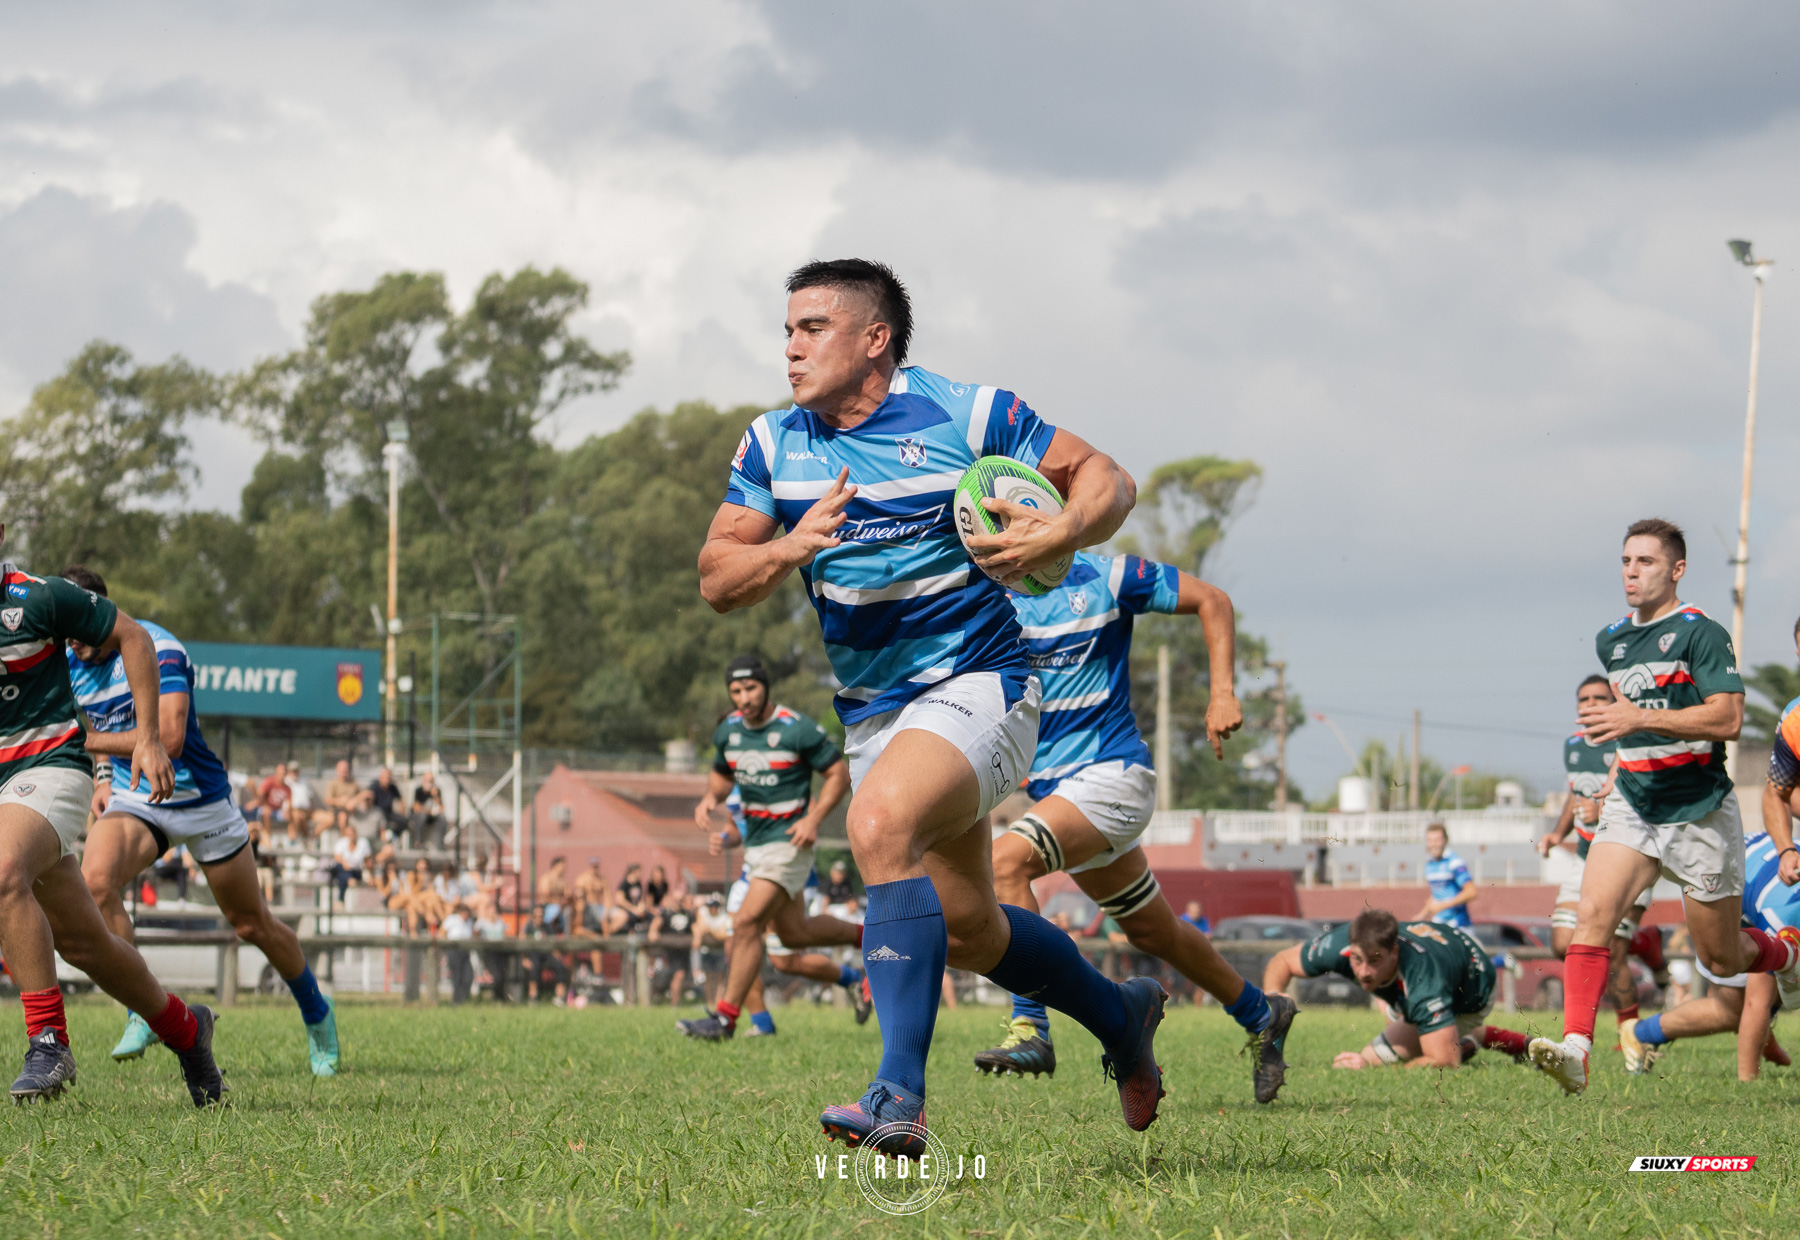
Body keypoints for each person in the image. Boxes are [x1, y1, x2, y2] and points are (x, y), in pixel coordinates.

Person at [697, 258, 1163, 1153]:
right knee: (971, 930)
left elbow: (1108, 477)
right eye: (787, 328)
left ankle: (896, 1101)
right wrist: (788, 546)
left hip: (985, 684)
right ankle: (1122, 1017)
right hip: (877, 714)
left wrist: (1064, 527)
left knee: (876, 825)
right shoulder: (772, 444)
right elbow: (718, 579)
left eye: (812, 328)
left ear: (875, 340)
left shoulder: (965, 413)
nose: (789, 347)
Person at [977, 548, 1295, 1103]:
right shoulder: (991, 589)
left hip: (1112, 778)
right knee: (1153, 932)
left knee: (1006, 861)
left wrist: (1222, 691)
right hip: (1062, 795)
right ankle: (1261, 1012)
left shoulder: (1108, 575)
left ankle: (1032, 1027)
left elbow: (1212, 600)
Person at [1529, 519, 1800, 1095]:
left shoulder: (1703, 633)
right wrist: (1615, 772)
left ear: (1676, 570)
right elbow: (1631, 729)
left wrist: (1637, 718)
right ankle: (1577, 1048)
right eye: (1626, 561)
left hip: (1699, 810)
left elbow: (1726, 718)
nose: (1632, 572)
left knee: (1723, 959)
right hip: (1633, 805)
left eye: (1646, 562)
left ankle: (1787, 956)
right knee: (1593, 918)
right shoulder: (1613, 640)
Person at [64, 565, 341, 1078]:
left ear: (102, 614)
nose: (74, 642)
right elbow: (88, 719)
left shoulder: (156, 648)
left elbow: (165, 741)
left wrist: (87, 746)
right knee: (95, 884)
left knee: (250, 923)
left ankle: (317, 1014)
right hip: (139, 799)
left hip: (201, 798)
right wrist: (103, 776)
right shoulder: (69, 659)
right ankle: (139, 1013)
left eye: (82, 628)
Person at [0, 551, 225, 1105]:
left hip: (49, 767)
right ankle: (188, 1031)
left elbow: (134, 638)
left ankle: (48, 1041)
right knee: (86, 944)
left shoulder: (41, 597)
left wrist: (147, 737)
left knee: (3, 872)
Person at [676, 655, 865, 1042]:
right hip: (757, 849)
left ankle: (725, 1019)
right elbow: (720, 778)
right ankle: (870, 936)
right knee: (794, 936)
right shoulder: (728, 732)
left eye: (750, 688)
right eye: (736, 691)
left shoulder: (796, 729)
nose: (744, 698)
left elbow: (837, 774)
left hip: (788, 846)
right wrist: (709, 800)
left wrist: (812, 819)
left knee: (745, 924)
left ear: (765, 687)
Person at [1536, 676, 1661, 1033]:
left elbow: (1646, 798)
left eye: (1599, 698)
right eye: (1584, 699)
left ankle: (1631, 1035)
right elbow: (1574, 795)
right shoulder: (1573, 745)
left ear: (1613, 702)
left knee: (1612, 950)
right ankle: (1646, 943)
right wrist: (1558, 833)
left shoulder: (1628, 744)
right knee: (1562, 943)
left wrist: (1602, 809)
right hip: (1585, 857)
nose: (1590, 704)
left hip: (1626, 856)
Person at [1619, 830, 1797, 1079]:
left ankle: (1642, 1033)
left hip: (1749, 864)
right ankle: (1640, 1034)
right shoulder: (1783, 919)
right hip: (1717, 881)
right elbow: (1756, 1003)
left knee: (1752, 1001)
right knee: (1734, 1010)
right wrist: (1749, 1086)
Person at [1264, 909, 1529, 1069]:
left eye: (1374, 961)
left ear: (1394, 952)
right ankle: (1470, 1038)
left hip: (1473, 987)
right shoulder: (1341, 945)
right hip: (1437, 958)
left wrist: (1390, 1067)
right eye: (1357, 960)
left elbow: (1445, 1063)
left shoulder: (1425, 980)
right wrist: (1274, 1010)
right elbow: (1282, 961)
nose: (1364, 971)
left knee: (1374, 1059)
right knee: (1417, 1032)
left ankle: (1470, 1039)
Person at [1418, 823, 1476, 927]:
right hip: (1439, 923)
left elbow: (1471, 892)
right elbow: (1438, 893)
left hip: (1458, 924)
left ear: (1445, 840)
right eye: (1430, 841)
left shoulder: (1454, 862)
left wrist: (1442, 906)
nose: (1434, 844)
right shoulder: (1429, 865)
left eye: (1437, 840)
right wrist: (1421, 916)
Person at [442, 901, 476, 1004]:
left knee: (468, 975)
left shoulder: (469, 922)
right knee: (457, 975)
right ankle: (456, 1000)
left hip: (465, 951)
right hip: (454, 950)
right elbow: (442, 932)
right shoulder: (452, 920)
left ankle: (464, 998)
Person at [328, 819, 370, 900]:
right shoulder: (342, 842)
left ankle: (340, 900)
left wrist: (369, 873)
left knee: (342, 874)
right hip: (345, 870)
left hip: (356, 871)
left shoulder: (363, 843)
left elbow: (367, 860)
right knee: (340, 868)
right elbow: (337, 857)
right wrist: (344, 863)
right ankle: (349, 879)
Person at [259, 762, 294, 844]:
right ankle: (268, 837)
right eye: (280, 773)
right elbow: (260, 794)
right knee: (266, 812)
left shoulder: (287, 788)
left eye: (284, 773)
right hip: (266, 808)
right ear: (276, 773)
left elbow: (289, 803)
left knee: (292, 815)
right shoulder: (269, 781)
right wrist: (266, 805)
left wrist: (287, 811)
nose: (282, 775)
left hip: (277, 811)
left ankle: (292, 840)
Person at [410, 771, 446, 848]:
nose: (429, 783)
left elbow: (441, 808)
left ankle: (441, 844)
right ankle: (418, 841)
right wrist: (429, 811)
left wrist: (435, 796)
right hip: (421, 816)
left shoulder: (436, 791)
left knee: (442, 818)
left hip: (432, 816)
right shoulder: (419, 791)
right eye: (427, 780)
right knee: (422, 816)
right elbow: (416, 808)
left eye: (431, 781)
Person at [367, 767, 404, 840]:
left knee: (404, 821)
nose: (387, 780)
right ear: (380, 777)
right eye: (385, 777)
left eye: (388, 777)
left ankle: (393, 837)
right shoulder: (374, 787)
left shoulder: (393, 787)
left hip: (388, 813)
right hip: (376, 812)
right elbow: (368, 798)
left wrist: (402, 810)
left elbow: (400, 800)